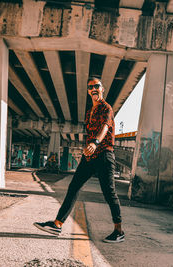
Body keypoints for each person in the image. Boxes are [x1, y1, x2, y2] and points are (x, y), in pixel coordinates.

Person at [34, 77, 124, 243]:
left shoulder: (106, 108)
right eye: (90, 87)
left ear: (102, 89)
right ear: (89, 91)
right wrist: (87, 147)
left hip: (104, 154)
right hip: (90, 156)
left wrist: (96, 142)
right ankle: (57, 223)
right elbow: (90, 133)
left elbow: (105, 127)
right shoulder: (89, 112)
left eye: (96, 86)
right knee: (74, 186)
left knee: (109, 192)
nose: (93, 89)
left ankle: (119, 231)